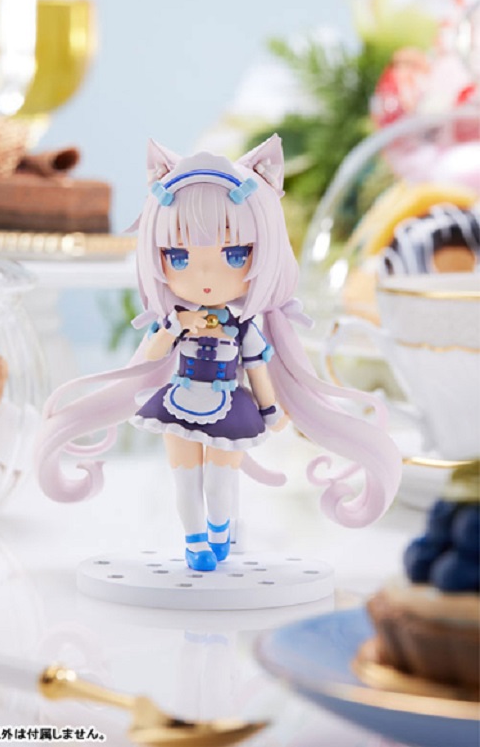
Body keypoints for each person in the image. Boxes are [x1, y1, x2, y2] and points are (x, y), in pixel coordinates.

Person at [36, 135, 402, 571]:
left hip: (231, 404)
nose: (205, 274)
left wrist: (270, 408)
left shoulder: (243, 328)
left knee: (219, 481)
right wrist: (176, 325)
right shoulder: (176, 322)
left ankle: (219, 532)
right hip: (178, 399)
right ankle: (195, 543)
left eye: (235, 254)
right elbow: (151, 357)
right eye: (178, 255)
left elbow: (258, 368)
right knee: (185, 481)